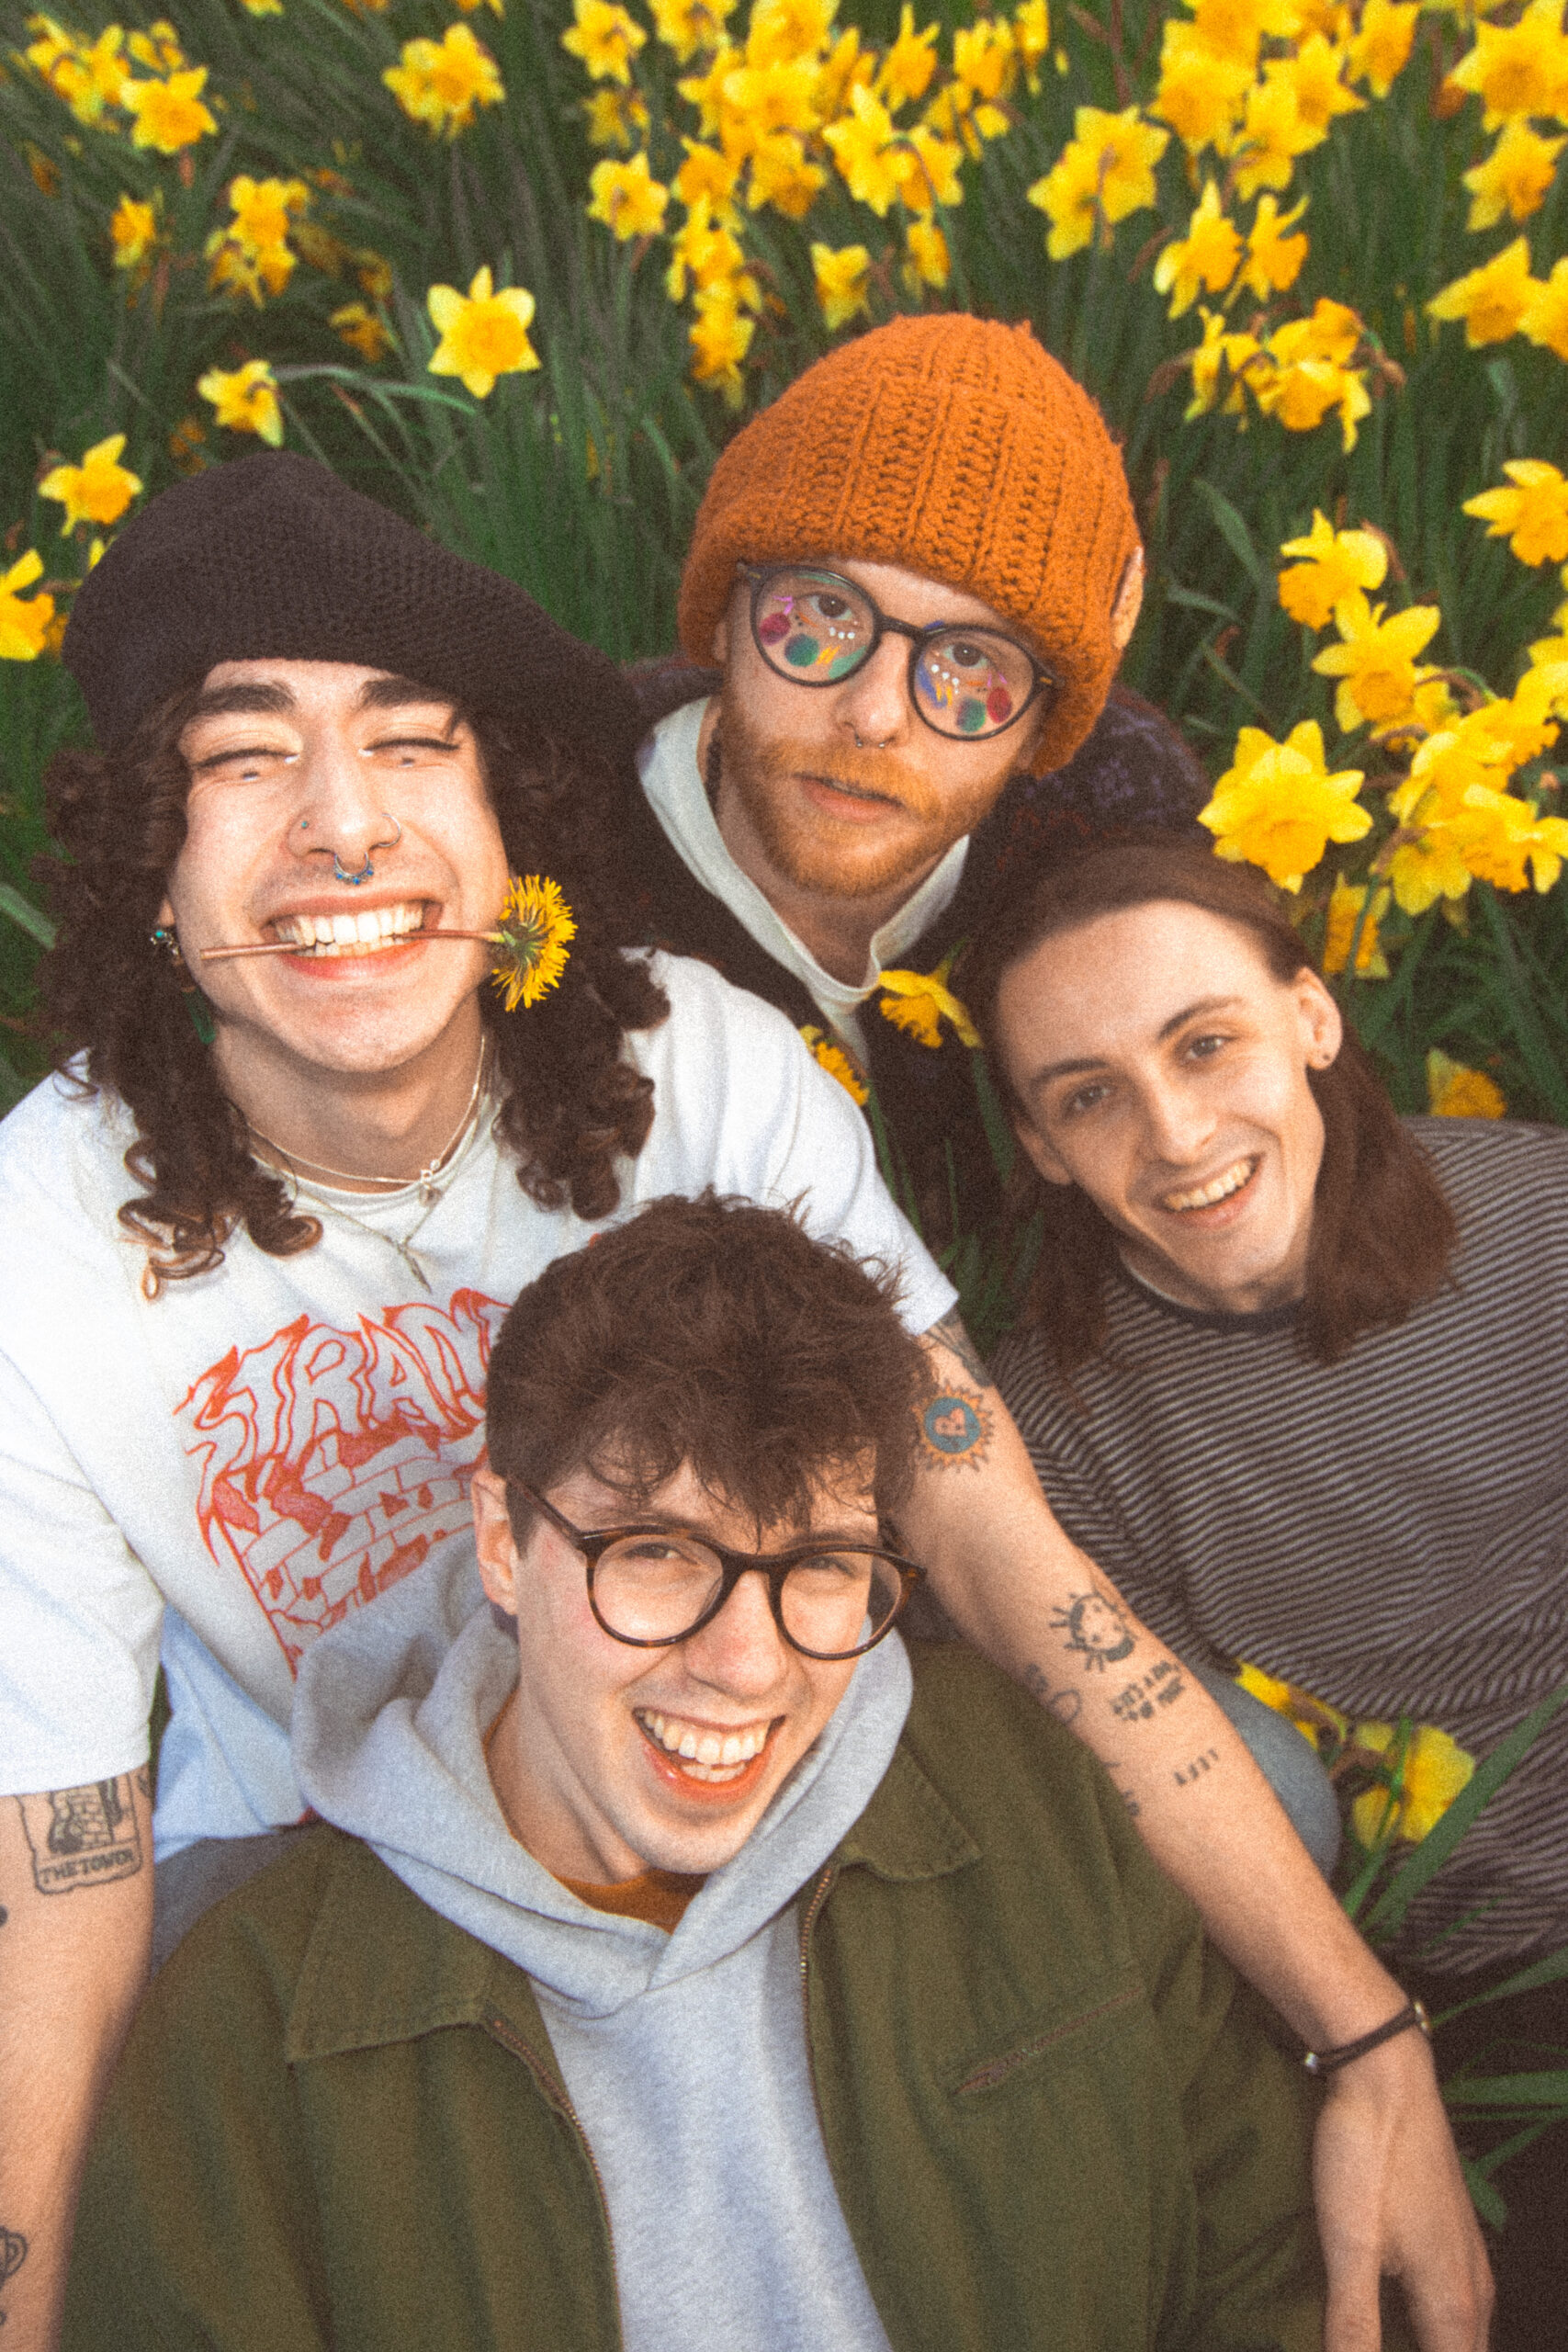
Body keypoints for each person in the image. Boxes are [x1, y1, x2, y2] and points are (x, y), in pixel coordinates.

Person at [0, 455, 1484, 2352]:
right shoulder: (40, 1247)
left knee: (1247, 1805)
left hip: (753, 1709)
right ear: (148, 855)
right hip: (333, 1835)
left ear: (507, 822)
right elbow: (63, 1859)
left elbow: (982, 1533)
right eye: (242, 759)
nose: (345, 826)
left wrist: (1360, 2029)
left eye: (412, 744)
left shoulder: (699, 1066)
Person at [62, 1195, 1335, 2352]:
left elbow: (1260, 2257)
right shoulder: (252, 2023)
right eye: (660, 1554)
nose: (746, 1664)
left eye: (821, 1566)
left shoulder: (1020, 1786)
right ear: (502, 1540)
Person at [965, 835, 1568, 2345]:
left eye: (1204, 1044)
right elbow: (1206, 1796)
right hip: (1461, 1986)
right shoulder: (1052, 1431)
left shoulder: (1539, 1217)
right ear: (1040, 1146)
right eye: (1087, 1096)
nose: (1174, 1136)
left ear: (1310, 1017)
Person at [615, 310, 1209, 1281]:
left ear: (1041, 733)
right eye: (823, 612)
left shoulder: (1120, 838)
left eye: (971, 660)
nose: (876, 714)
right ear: (721, 616)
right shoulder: (541, 846)